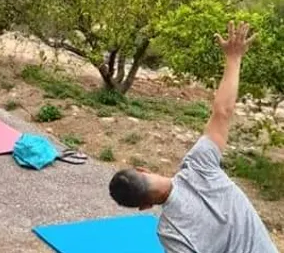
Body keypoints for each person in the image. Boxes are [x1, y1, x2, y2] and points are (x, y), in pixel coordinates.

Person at [108, 22, 277, 253]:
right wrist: (234, 57)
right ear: (143, 170)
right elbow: (223, 112)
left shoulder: (169, 233)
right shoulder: (199, 164)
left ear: (145, 206)